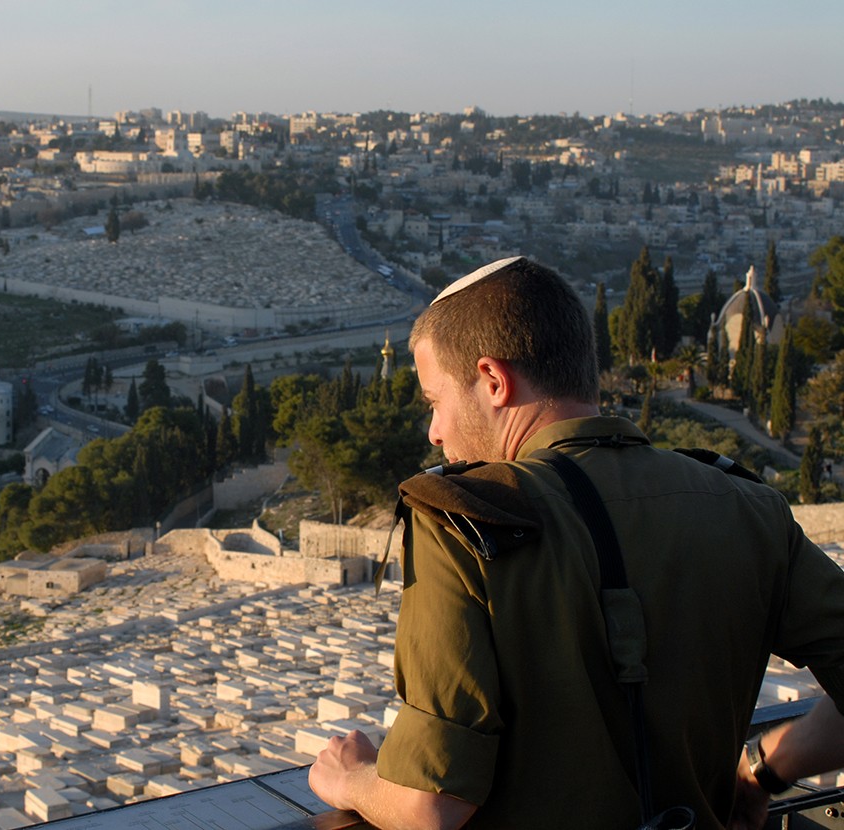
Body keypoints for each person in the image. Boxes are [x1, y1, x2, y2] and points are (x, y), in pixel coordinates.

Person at [308, 256, 844, 830]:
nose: (434, 431)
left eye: (435, 401)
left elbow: (432, 805)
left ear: (492, 380)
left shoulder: (461, 520)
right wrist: (764, 770)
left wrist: (350, 778)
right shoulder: (747, 506)